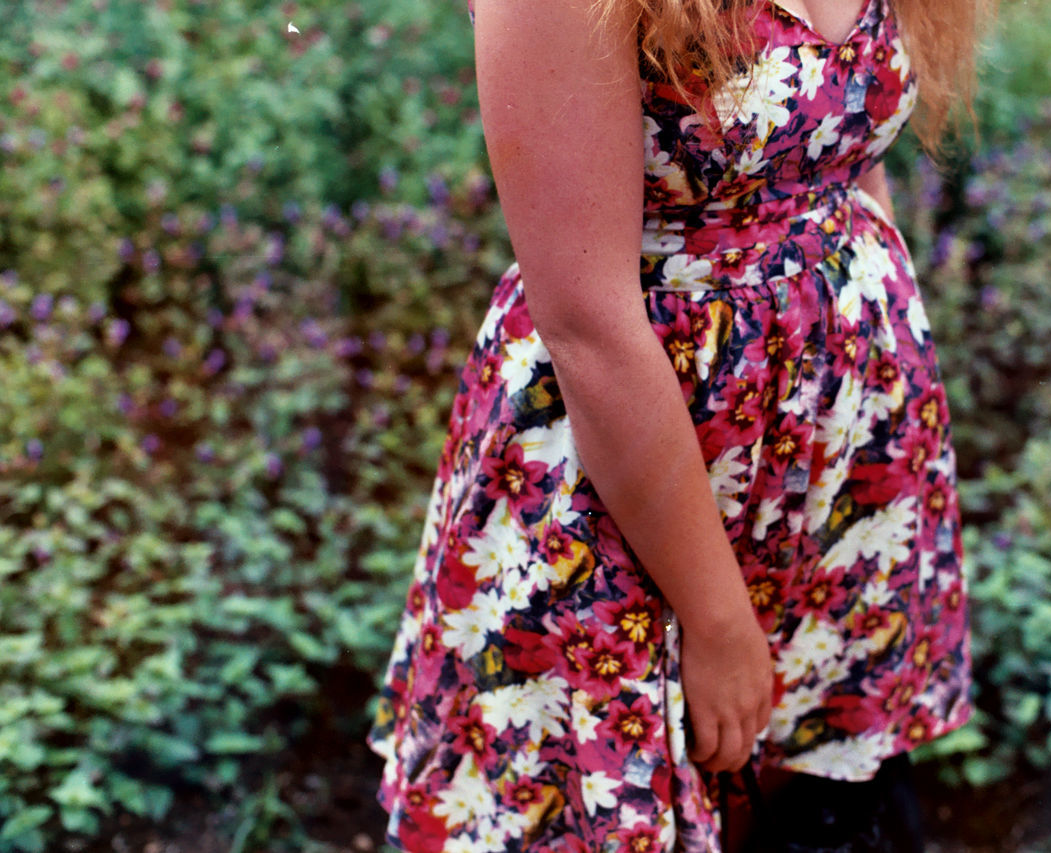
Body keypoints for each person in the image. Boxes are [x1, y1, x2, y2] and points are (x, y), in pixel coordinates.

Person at [366, 0, 989, 849]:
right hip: (644, 480)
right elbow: (587, 321)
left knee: (811, 807)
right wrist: (718, 622)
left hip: (844, 460)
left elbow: (842, 149)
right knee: (653, 798)